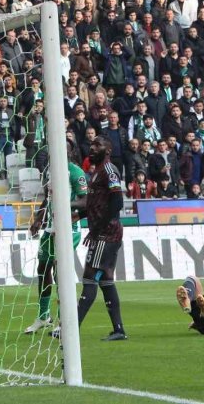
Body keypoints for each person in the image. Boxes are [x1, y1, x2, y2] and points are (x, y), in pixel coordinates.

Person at [59, 135, 127, 341]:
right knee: (106, 280)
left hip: (106, 234)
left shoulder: (108, 171)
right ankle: (118, 330)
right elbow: (98, 205)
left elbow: (117, 203)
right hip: (105, 232)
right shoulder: (96, 172)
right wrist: (78, 216)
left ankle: (69, 330)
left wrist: (97, 230)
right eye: (91, 143)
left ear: (107, 150)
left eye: (97, 145)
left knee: (89, 278)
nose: (92, 147)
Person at [24, 138, 88, 334]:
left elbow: (85, 201)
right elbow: (48, 198)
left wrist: (65, 205)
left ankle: (64, 319)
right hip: (51, 228)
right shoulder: (51, 171)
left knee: (61, 272)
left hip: (69, 229)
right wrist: (37, 219)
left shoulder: (75, 172)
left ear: (69, 152)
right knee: (43, 268)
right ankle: (44, 316)